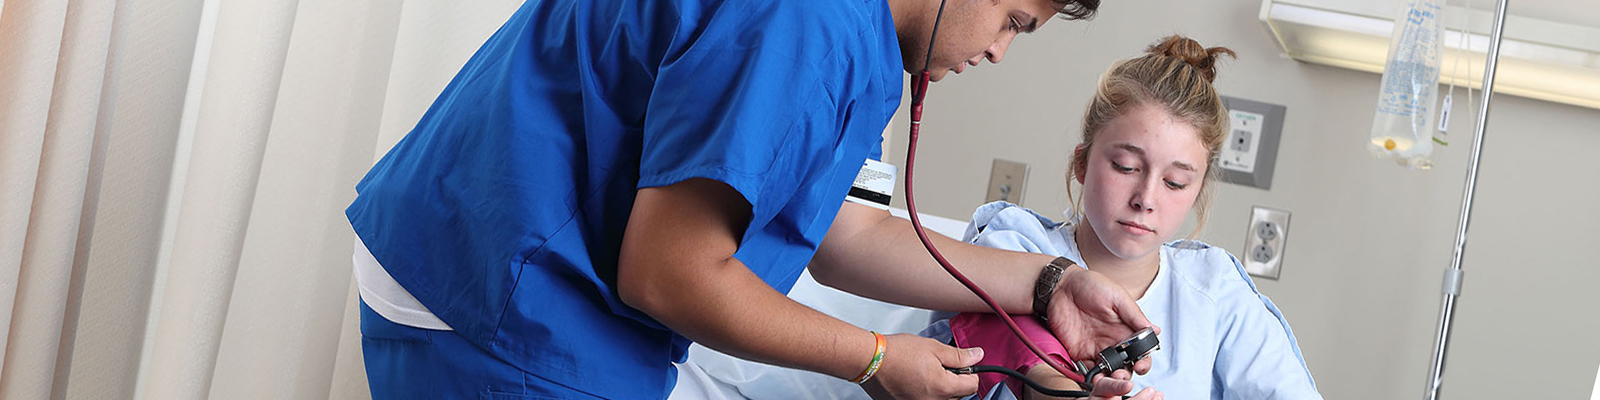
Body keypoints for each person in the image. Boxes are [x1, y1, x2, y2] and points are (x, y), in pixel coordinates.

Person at [344, 0, 1162, 398]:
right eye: (1013, 19)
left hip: (490, 257)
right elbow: (670, 274)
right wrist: (875, 361)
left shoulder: (855, 33)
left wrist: (1049, 282)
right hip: (500, 301)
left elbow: (829, 227)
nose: (998, 50)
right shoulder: (808, 25)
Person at [930, 35, 1322, 400]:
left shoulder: (1215, 290)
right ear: (1081, 162)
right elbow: (996, 349)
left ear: (1197, 191)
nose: (1146, 199)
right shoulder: (1016, 243)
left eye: (1174, 182)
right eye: (1125, 166)